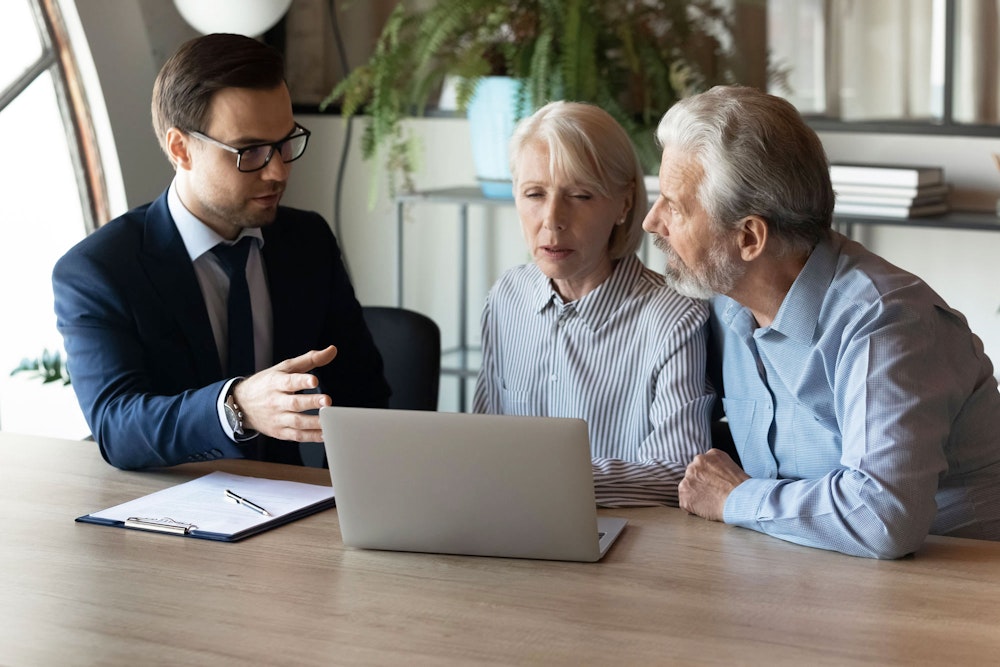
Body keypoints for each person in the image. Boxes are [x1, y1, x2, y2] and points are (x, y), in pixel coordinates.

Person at [643, 85, 1000, 558]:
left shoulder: (886, 323)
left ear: (749, 237)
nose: (652, 222)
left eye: (675, 206)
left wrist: (735, 498)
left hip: (954, 579)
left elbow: (882, 516)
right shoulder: (726, 305)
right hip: (802, 569)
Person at [53, 33, 389, 470]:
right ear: (181, 149)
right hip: (169, 503)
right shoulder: (99, 271)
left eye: (285, 142)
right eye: (250, 151)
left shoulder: (308, 241)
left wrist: (345, 493)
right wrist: (236, 406)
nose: (278, 170)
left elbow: (363, 392)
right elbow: (117, 426)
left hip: (292, 499)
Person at [474, 101, 714, 507]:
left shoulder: (674, 318)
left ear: (624, 204)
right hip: (507, 522)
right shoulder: (507, 298)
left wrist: (544, 481)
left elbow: (679, 472)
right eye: (534, 194)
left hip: (626, 536)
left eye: (580, 195)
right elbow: (481, 444)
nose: (552, 219)